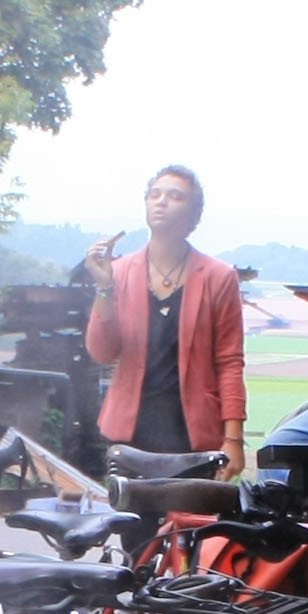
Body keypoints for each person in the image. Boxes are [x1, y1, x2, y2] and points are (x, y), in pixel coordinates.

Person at [77, 165, 247, 467]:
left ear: (194, 216)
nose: (161, 201)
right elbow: (101, 352)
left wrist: (233, 439)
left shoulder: (219, 278)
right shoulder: (118, 272)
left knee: (191, 515)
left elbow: (230, 363)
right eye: (155, 194)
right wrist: (104, 287)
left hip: (193, 436)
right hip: (129, 435)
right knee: (131, 515)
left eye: (175, 196)